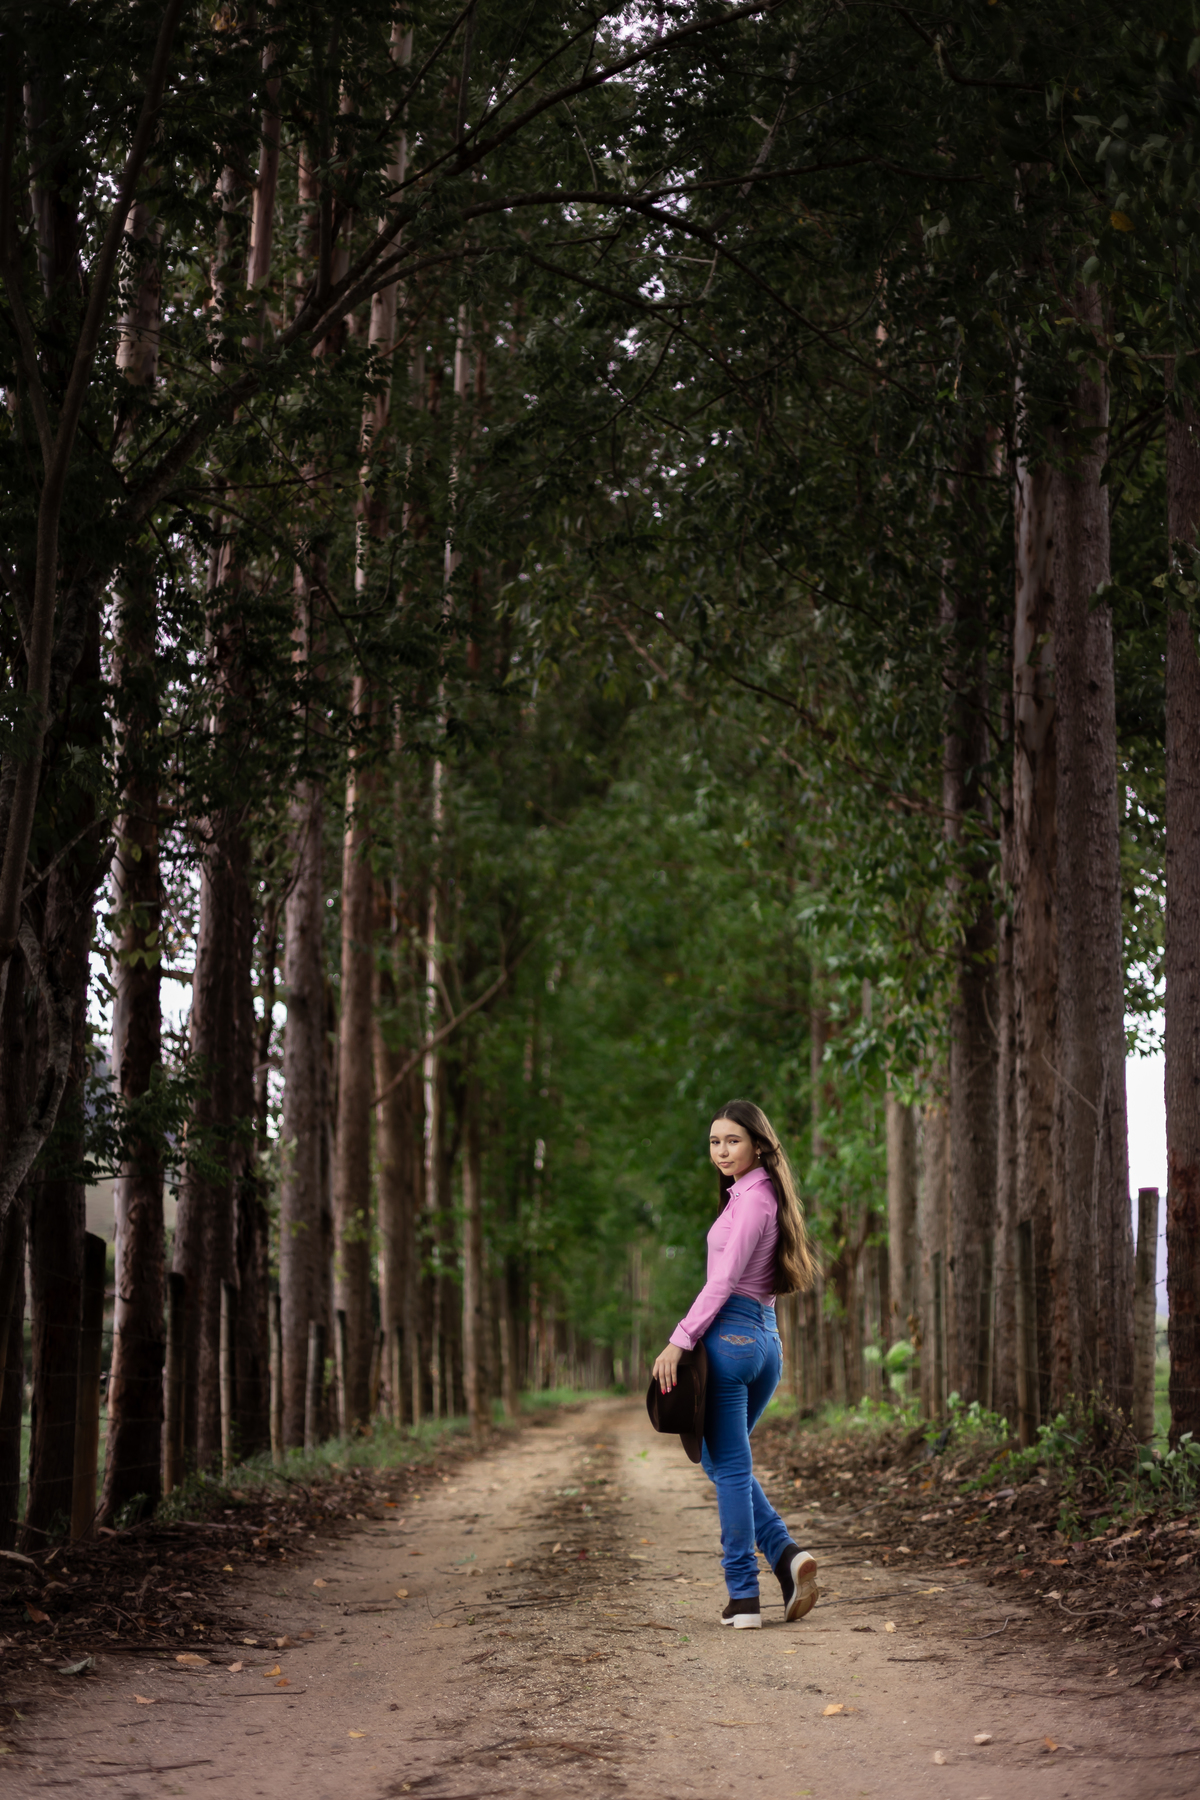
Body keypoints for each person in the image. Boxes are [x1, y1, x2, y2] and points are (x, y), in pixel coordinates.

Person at [651, 1099, 818, 1630]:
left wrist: (680, 1340)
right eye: (714, 1142)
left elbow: (722, 1282)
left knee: (729, 1467)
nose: (721, 1151)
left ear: (759, 1145)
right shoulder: (759, 1195)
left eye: (733, 1141)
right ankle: (786, 1556)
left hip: (731, 1339)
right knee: (725, 1460)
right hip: (765, 1341)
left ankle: (744, 1595)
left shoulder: (753, 1200)